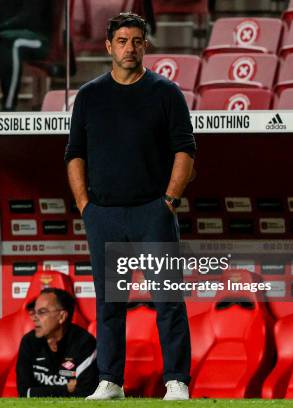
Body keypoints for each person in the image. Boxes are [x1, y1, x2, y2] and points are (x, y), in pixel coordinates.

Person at [64, 12, 196, 401]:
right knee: (109, 305)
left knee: (167, 301)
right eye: (122, 41)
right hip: (103, 214)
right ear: (108, 46)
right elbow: (74, 154)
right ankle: (111, 381)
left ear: (146, 46)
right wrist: (85, 205)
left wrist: (168, 201)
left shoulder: (166, 92)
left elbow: (185, 150)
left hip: (152, 213)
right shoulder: (89, 95)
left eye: (137, 41)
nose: (130, 48)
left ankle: (176, 381)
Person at [16, 288, 98, 397]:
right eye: (34, 312)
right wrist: (67, 389)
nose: (35, 318)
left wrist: (37, 392)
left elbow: (85, 393)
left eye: (42, 312)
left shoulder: (85, 343)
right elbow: (25, 392)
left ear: (62, 316)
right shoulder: (29, 342)